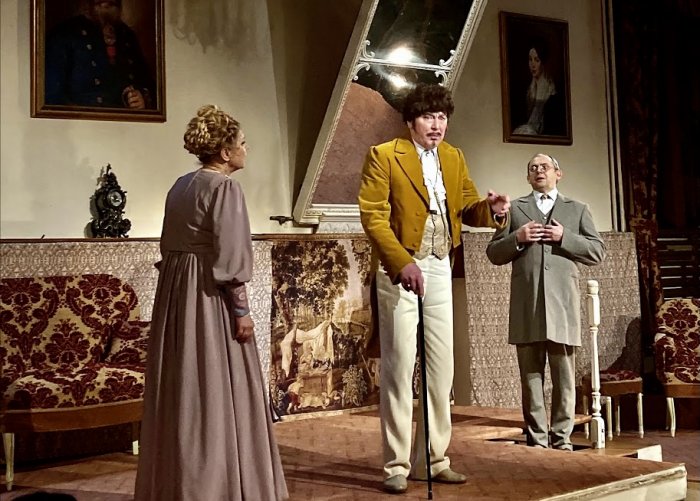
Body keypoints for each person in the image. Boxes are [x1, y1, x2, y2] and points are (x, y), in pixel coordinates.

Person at [358, 83, 510, 494]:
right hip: (401, 268)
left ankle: (433, 458)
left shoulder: (453, 157)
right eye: (428, 117)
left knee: (441, 370)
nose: (437, 125)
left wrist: (492, 211)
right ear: (411, 121)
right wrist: (401, 262)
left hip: (441, 265)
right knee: (399, 368)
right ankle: (396, 464)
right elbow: (373, 216)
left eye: (442, 118)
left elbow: (467, 208)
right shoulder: (385, 155)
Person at [134, 105, 288, 501]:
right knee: (215, 383)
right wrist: (242, 311)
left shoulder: (180, 186)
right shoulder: (224, 188)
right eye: (242, 143)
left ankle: (178, 485)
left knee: (185, 383)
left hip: (177, 294)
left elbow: (169, 246)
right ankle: (219, 487)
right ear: (224, 152)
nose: (246, 149)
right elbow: (231, 257)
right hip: (207, 296)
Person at [486, 153, 605, 451]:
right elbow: (494, 253)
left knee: (564, 378)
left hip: (562, 305)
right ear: (528, 177)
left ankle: (562, 439)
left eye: (545, 167)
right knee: (531, 378)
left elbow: (597, 252)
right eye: (533, 168)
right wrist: (518, 237)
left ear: (558, 173)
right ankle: (537, 440)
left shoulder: (577, 209)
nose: (539, 171)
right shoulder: (515, 210)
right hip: (527, 306)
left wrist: (565, 236)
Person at [44, 0, 155, 108]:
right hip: (82, 119)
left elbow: (148, 85)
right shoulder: (64, 34)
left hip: (125, 119)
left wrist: (141, 99)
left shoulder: (127, 36)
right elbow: (53, 97)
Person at [512, 40, 563, 136]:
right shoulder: (529, 90)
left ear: (542, 62)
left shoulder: (551, 92)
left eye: (537, 60)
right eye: (530, 59)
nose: (533, 65)